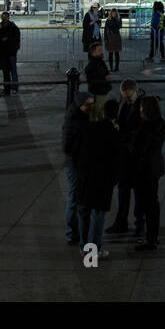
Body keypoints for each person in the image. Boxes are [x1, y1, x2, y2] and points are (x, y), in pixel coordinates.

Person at [76, 98, 121, 258]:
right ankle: (93, 251)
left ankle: (84, 247)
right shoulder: (114, 134)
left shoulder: (89, 128)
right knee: (98, 215)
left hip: (85, 177)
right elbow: (117, 162)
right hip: (102, 180)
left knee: (84, 212)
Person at [108, 81, 145, 236]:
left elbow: (141, 132)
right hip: (124, 155)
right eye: (123, 93)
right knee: (123, 190)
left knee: (138, 192)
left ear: (132, 91)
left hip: (136, 156)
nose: (124, 96)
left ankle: (139, 225)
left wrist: (122, 134)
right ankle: (121, 221)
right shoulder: (125, 104)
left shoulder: (142, 106)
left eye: (126, 93)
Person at [132, 95, 165, 251]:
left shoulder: (146, 126)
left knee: (149, 203)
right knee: (152, 202)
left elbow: (140, 148)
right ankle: (152, 236)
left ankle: (151, 238)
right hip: (155, 166)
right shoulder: (159, 123)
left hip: (146, 169)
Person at [62, 92, 96, 245]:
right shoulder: (73, 122)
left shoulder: (82, 118)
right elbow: (66, 147)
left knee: (78, 198)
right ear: (80, 105)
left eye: (92, 103)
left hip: (80, 164)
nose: (91, 107)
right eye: (88, 104)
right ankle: (71, 232)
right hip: (75, 164)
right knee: (75, 198)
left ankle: (75, 231)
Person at [0, 10, 21, 96]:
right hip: (4, 52)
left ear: (8, 17)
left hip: (11, 52)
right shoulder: (0, 26)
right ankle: (6, 88)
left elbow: (17, 37)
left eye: (5, 17)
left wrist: (10, 41)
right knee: (5, 72)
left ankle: (15, 87)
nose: (3, 18)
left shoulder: (12, 26)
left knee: (13, 70)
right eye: (2, 17)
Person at [103, 7, 123, 72]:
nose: (113, 14)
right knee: (110, 53)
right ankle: (111, 67)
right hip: (110, 36)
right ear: (111, 13)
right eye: (112, 13)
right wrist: (105, 38)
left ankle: (117, 67)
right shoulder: (108, 20)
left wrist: (115, 20)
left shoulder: (118, 19)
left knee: (117, 52)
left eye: (115, 13)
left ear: (116, 13)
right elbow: (105, 29)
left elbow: (119, 26)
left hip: (116, 36)